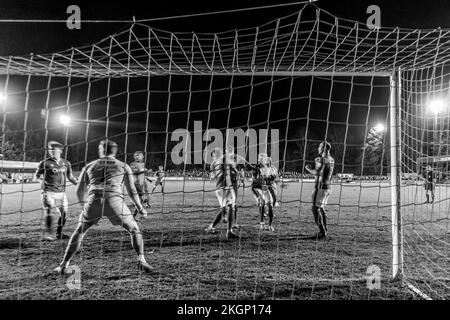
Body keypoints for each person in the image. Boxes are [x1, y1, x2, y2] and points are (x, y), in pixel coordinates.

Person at [54, 139, 152, 274]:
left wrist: (84, 206)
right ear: (115, 151)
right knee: (134, 229)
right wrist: (141, 208)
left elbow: (79, 190)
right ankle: (141, 260)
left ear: (101, 151)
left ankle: (63, 265)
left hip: (93, 200)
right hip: (114, 201)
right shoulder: (123, 166)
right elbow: (132, 191)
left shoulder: (89, 166)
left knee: (80, 231)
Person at [35, 141, 78, 240]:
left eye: (54, 149)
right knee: (49, 209)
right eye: (50, 149)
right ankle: (49, 235)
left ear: (60, 150)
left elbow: (70, 177)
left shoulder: (66, 163)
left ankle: (59, 233)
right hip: (48, 192)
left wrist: (80, 185)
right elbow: (36, 176)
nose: (52, 151)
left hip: (61, 193)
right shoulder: (44, 163)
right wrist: (41, 182)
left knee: (64, 214)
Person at [204, 147, 239, 239]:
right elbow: (230, 161)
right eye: (216, 151)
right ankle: (213, 226)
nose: (219, 152)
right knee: (225, 209)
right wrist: (230, 153)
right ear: (213, 156)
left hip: (228, 186)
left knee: (230, 207)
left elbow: (233, 165)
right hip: (221, 187)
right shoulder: (216, 162)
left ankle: (228, 230)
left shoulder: (223, 160)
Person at [305, 141, 334, 239]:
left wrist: (308, 168)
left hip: (320, 187)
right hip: (328, 187)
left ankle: (322, 232)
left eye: (320, 146)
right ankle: (325, 230)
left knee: (315, 208)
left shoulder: (320, 159)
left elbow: (317, 172)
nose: (318, 148)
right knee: (321, 208)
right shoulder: (331, 159)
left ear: (324, 148)